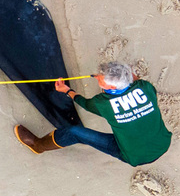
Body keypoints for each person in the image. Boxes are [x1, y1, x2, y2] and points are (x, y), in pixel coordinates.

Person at [15, 61, 171, 166]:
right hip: (162, 143)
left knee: (74, 131)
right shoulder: (146, 87)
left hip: (134, 155)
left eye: (101, 81)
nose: (97, 79)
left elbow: (84, 103)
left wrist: (67, 90)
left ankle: (37, 146)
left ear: (113, 88)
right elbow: (134, 80)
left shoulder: (102, 103)